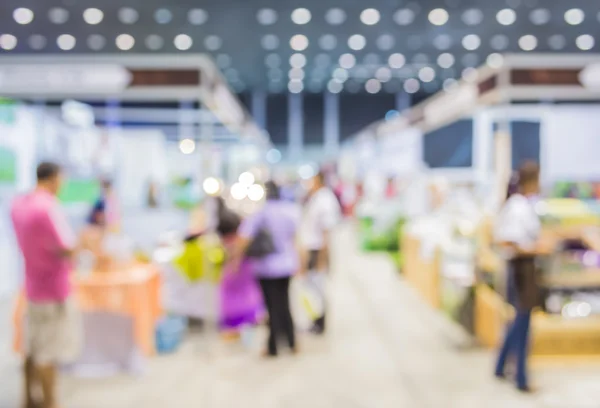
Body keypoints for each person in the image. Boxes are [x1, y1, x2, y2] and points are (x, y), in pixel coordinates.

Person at [10, 162, 82, 408]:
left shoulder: (19, 204)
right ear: (53, 178)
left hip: (31, 285)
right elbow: (66, 246)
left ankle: (28, 399)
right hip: (53, 288)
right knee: (48, 351)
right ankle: (50, 403)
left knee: (32, 345)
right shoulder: (48, 207)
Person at [493, 161, 552, 392]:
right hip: (521, 270)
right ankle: (521, 378)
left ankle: (501, 366)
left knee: (519, 321)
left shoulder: (522, 205)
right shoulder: (518, 206)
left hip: (523, 269)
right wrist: (538, 248)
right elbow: (508, 242)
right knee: (522, 322)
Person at [235, 181, 301, 356]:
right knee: (285, 303)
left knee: (271, 307)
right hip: (287, 265)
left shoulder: (261, 213)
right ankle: (291, 342)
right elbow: (296, 239)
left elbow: (244, 237)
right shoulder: (290, 211)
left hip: (266, 267)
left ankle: (273, 347)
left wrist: (234, 260)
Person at [215, 197, 264, 339]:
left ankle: (236, 328)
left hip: (236, 269)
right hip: (243, 269)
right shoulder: (238, 226)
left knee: (233, 296)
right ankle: (247, 323)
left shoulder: (229, 239)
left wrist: (233, 261)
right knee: (247, 294)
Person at [300, 171, 341, 334]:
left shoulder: (325, 199)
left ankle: (319, 322)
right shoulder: (317, 198)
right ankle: (315, 319)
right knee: (311, 287)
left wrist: (323, 258)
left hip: (318, 250)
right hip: (313, 248)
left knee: (318, 287)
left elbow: (326, 231)